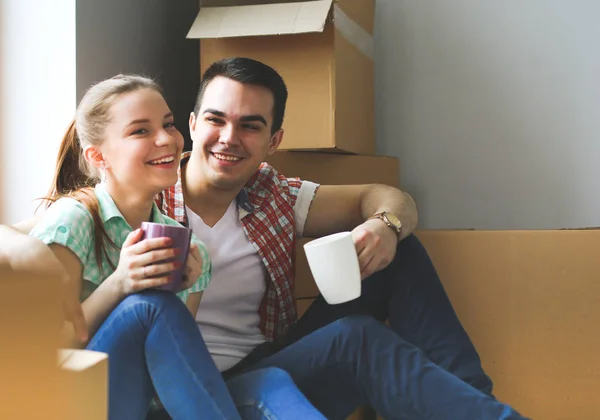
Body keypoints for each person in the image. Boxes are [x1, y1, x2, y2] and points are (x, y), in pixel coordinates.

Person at [149, 57, 531, 420]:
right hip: (197, 396)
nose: (229, 138)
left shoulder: (273, 194)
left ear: (273, 140)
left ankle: (476, 404)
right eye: (217, 120)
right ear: (194, 124)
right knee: (357, 340)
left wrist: (384, 226)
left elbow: (388, 198)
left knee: (397, 248)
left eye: (250, 126)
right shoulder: (148, 198)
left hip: (271, 367)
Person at [27, 74, 325, 420]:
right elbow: (39, 348)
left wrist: (186, 289)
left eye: (168, 124)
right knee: (150, 305)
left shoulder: (185, 244)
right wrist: (121, 283)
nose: (166, 139)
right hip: (71, 403)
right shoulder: (73, 221)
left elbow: (177, 372)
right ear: (98, 156)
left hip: (148, 407)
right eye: (141, 131)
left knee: (270, 381)